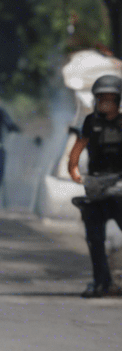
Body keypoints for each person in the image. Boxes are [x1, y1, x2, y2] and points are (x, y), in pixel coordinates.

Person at [67, 74, 122, 297]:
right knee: (94, 238)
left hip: (119, 187)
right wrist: (74, 169)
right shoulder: (91, 122)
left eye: (110, 98)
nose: (106, 102)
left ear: (118, 101)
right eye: (102, 98)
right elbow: (79, 147)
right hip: (96, 186)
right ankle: (102, 282)